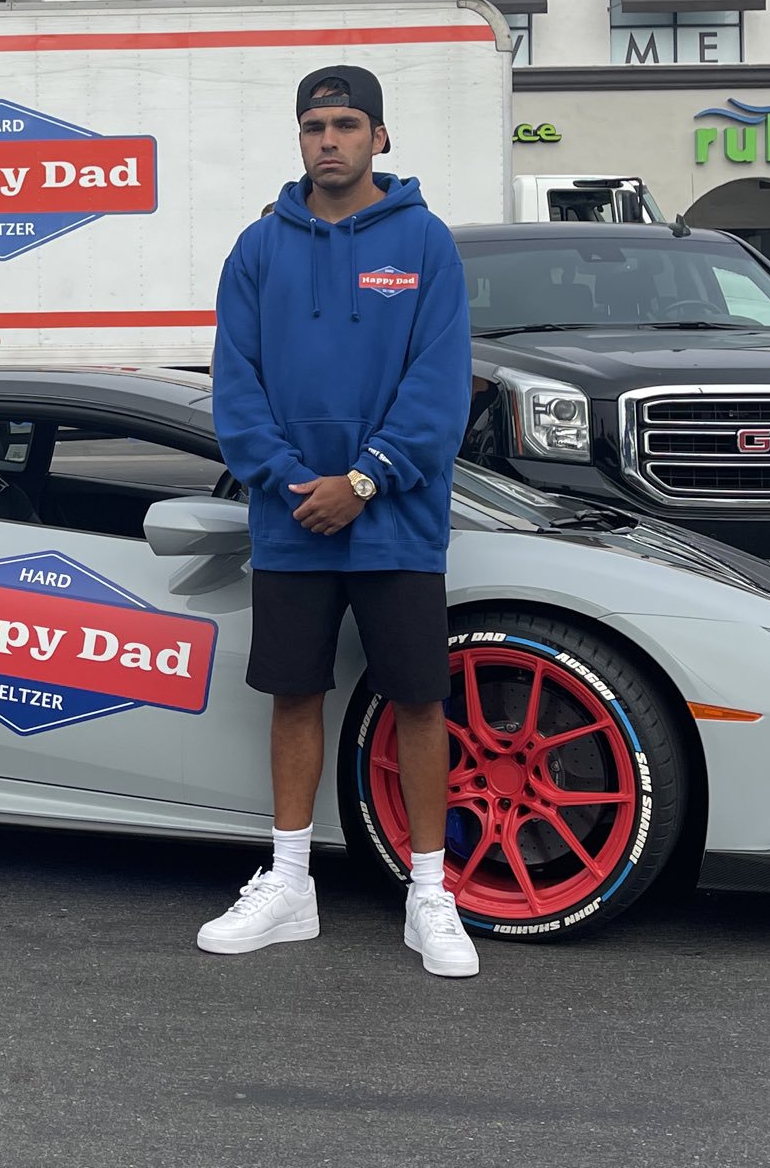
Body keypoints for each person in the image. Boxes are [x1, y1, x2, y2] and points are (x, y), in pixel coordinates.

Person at [201, 65, 477, 977]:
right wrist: (295, 484)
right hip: (293, 523)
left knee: (419, 700)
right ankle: (289, 885)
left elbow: (439, 389)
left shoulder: (425, 242)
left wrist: (362, 480)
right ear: (300, 138)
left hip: (396, 520)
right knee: (294, 695)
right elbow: (236, 391)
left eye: (347, 124)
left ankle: (429, 892)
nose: (330, 139)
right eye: (315, 125)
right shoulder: (258, 248)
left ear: (379, 138)